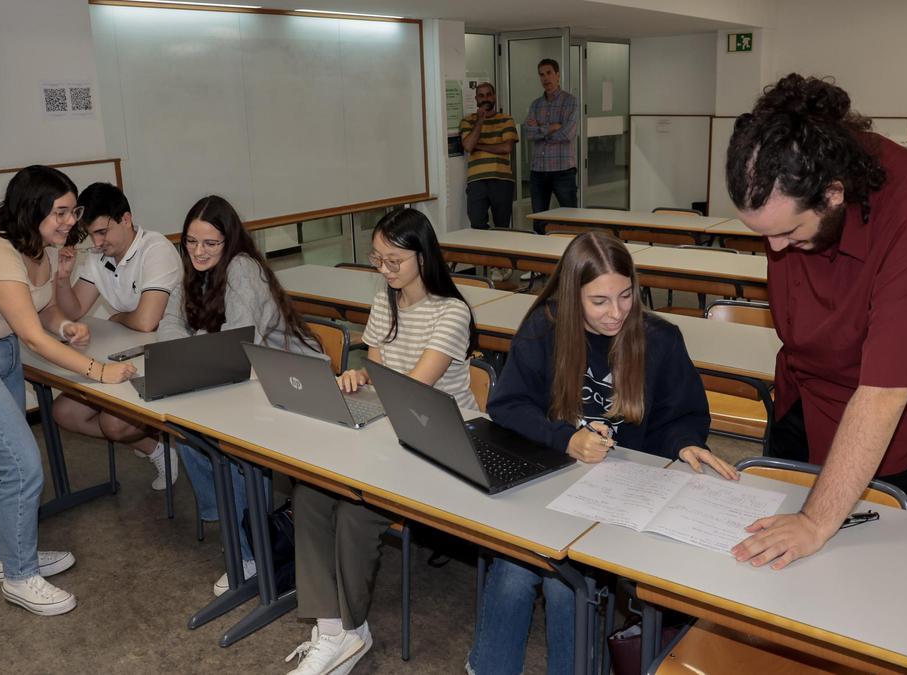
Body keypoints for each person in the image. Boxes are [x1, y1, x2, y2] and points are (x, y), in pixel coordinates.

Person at [724, 74, 907, 570]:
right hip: (807, 388)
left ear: (833, 195)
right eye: (763, 236)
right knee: (774, 536)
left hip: (898, 417)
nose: (774, 249)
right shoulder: (792, 174)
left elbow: (886, 392)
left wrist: (816, 522)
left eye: (786, 233)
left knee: (866, 568)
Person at [466, 231, 736, 675]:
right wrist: (565, 439)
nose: (616, 313)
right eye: (599, 302)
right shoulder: (544, 328)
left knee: (563, 587)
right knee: (514, 574)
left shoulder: (659, 339)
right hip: (553, 483)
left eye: (626, 295)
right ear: (573, 298)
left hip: (625, 497)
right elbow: (508, 405)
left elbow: (682, 416)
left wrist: (685, 442)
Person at [0, 166, 137, 616]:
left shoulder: (45, 250)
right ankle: (20, 577)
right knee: (22, 464)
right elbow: (34, 337)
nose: (70, 221)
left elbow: (47, 310)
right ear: (30, 209)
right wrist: (98, 370)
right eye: (60, 212)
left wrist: (67, 324)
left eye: (72, 210)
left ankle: (8, 557)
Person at [284, 208, 477, 675]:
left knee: (356, 510)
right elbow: (377, 366)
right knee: (308, 493)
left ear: (422, 256)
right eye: (378, 259)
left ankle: (353, 630)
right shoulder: (386, 299)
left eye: (394, 261)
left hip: (442, 440)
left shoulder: (451, 311)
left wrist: (374, 386)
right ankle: (332, 629)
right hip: (391, 430)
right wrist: (358, 374)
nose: (384, 270)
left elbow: (415, 386)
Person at [159, 195, 321, 596]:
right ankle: (238, 534)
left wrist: (191, 347)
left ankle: (250, 552)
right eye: (191, 242)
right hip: (243, 381)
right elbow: (168, 330)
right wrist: (191, 347)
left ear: (228, 242)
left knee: (229, 451)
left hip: (295, 384)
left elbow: (236, 341)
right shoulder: (194, 271)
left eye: (209, 244)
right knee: (190, 439)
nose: (198, 251)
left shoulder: (243, 269)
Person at [50, 182, 182, 490]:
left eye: (102, 232)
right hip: (132, 353)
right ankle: (157, 447)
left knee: (113, 423)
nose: (96, 243)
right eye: (91, 234)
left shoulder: (156, 249)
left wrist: (117, 317)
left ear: (126, 219)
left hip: (169, 356)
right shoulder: (99, 256)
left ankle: (161, 436)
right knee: (64, 412)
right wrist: (62, 278)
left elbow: (148, 322)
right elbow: (74, 309)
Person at [523, 58, 579, 232]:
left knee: (570, 219)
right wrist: (551, 128)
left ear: (558, 75)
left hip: (563, 171)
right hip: (538, 172)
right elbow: (528, 133)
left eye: (548, 73)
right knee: (539, 220)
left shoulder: (570, 101)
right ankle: (540, 255)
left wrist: (539, 130)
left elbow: (567, 134)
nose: (545, 78)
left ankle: (572, 255)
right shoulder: (536, 104)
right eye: (541, 74)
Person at [460, 82, 519, 232]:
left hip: (502, 179)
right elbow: (468, 146)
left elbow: (507, 147)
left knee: (502, 227)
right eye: (481, 95)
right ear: (476, 99)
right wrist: (480, 121)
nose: (485, 98)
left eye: (488, 95)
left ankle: (501, 254)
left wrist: (479, 146)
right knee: (477, 223)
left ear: (494, 97)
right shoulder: (467, 121)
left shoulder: (506, 120)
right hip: (476, 180)